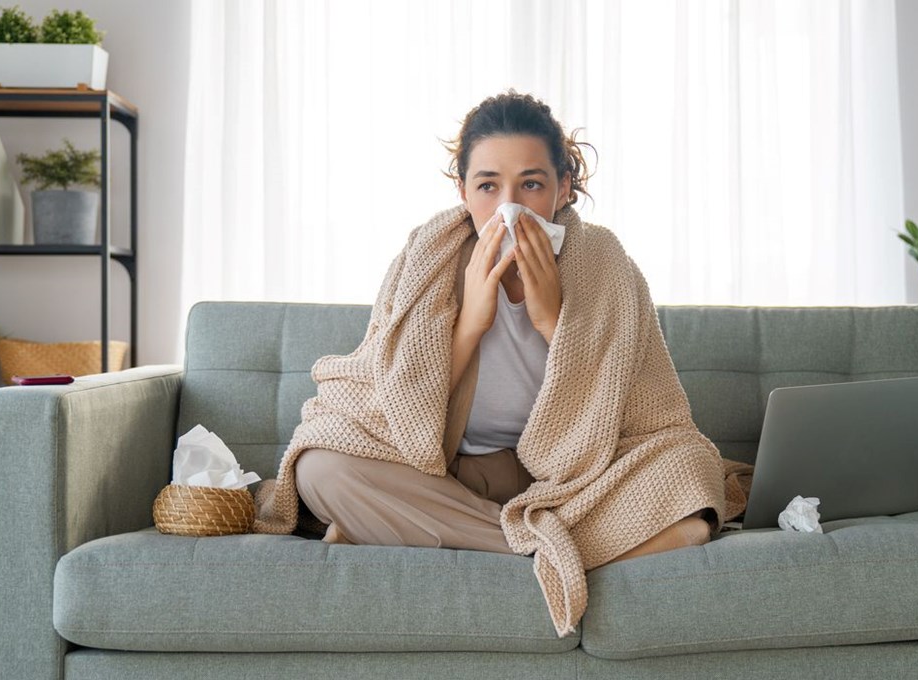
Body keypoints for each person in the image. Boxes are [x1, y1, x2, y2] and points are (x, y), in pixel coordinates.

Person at [286, 91, 716, 564]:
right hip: (452, 475)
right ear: (463, 191)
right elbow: (398, 410)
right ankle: (559, 550)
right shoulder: (427, 259)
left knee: (691, 468)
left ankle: (410, 530)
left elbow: (642, 413)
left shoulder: (605, 264)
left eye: (531, 185)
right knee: (320, 469)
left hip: (574, 477)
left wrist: (553, 321)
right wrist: (470, 323)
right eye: (489, 186)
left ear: (564, 187)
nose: (509, 206)